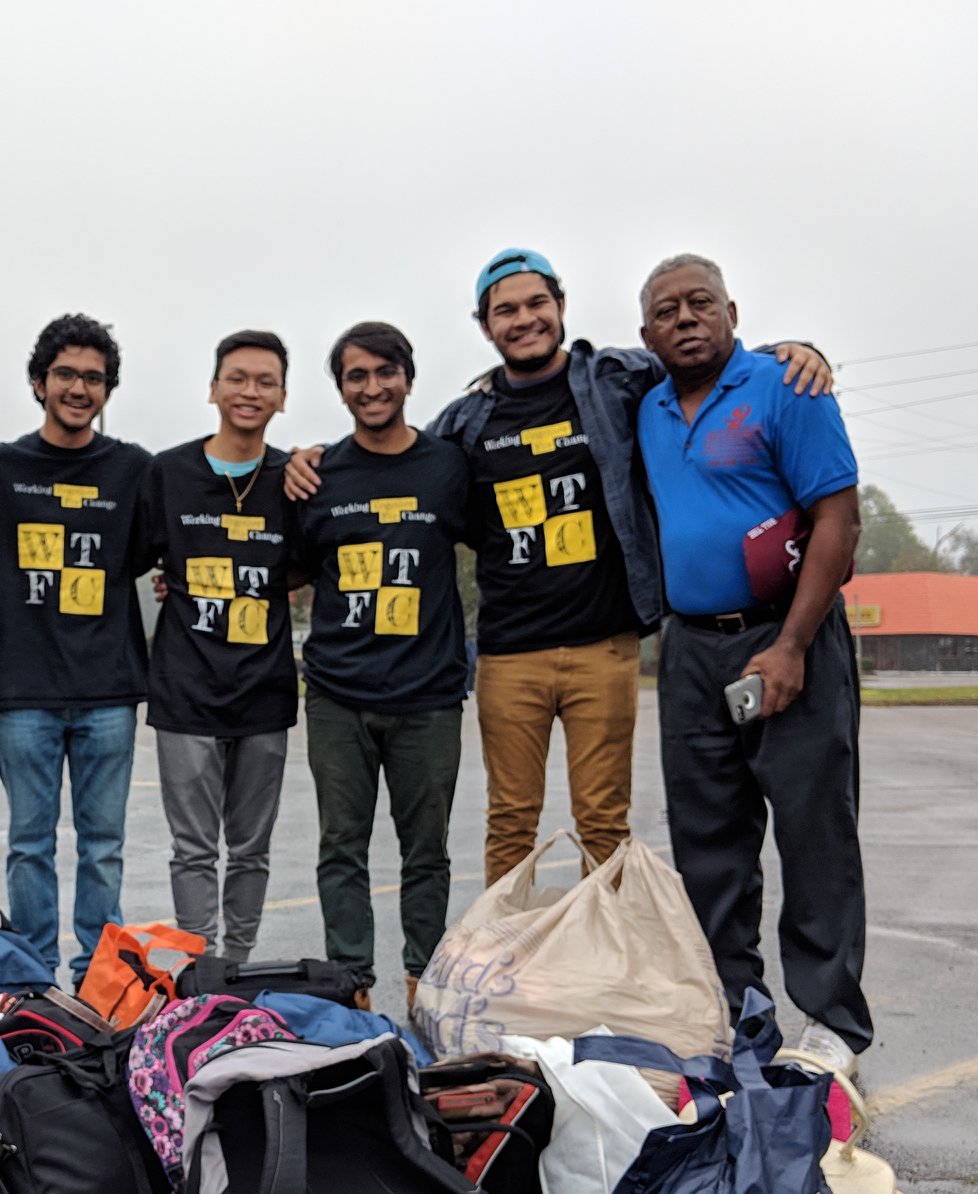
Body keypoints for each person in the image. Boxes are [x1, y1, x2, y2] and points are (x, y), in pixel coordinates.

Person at [287, 249, 830, 883]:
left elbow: (708, 360)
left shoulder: (620, 381)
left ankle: (605, 945)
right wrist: (315, 458)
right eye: (505, 311)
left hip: (605, 646)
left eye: (536, 303)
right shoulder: (465, 422)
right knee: (511, 821)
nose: (524, 320)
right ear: (485, 326)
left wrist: (791, 352)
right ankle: (508, 945)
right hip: (509, 655)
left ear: (561, 305)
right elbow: (396, 460)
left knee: (603, 821)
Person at [635, 253, 869, 1077]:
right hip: (690, 648)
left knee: (814, 832)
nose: (685, 319)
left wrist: (793, 645)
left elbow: (839, 518)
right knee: (708, 845)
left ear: (732, 312)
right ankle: (736, 1013)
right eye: (667, 311)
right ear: (646, 335)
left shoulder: (786, 386)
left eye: (701, 303)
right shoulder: (646, 406)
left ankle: (832, 1021)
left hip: (785, 633)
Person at [290, 321, 471, 1008]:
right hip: (338, 693)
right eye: (356, 376)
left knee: (427, 851)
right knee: (342, 847)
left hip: (428, 695)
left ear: (408, 379)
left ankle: (426, 983)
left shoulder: (448, 466)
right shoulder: (318, 475)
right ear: (341, 389)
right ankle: (352, 988)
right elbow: (284, 568)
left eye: (384, 372)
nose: (372, 387)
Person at [0, 314, 154, 985]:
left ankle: (101, 978)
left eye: (94, 378)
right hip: (24, 690)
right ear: (38, 382)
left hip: (108, 689)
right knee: (29, 843)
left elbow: (157, 550)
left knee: (104, 848)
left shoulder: (133, 469)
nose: (80, 388)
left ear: (108, 389)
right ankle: (34, 974)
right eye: (66, 375)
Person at [142, 331, 297, 961]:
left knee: (252, 849)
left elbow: (308, 565)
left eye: (265, 381)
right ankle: (202, 970)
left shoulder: (293, 478)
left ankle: (239, 963)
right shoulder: (168, 473)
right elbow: (140, 555)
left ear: (282, 396)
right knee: (194, 850)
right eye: (237, 378)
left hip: (264, 690)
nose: (249, 391)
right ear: (213, 389)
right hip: (185, 688)